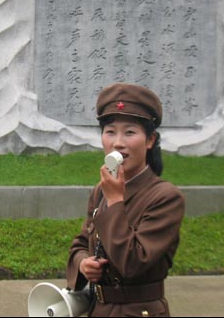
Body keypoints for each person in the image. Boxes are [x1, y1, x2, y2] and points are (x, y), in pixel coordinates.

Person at [66, 83, 185, 317]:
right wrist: (83, 263)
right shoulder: (101, 190)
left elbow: (133, 263)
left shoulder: (165, 197)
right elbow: (81, 242)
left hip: (140, 311)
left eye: (130, 132)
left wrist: (115, 201)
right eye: (110, 131)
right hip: (98, 310)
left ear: (150, 140)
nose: (118, 142)